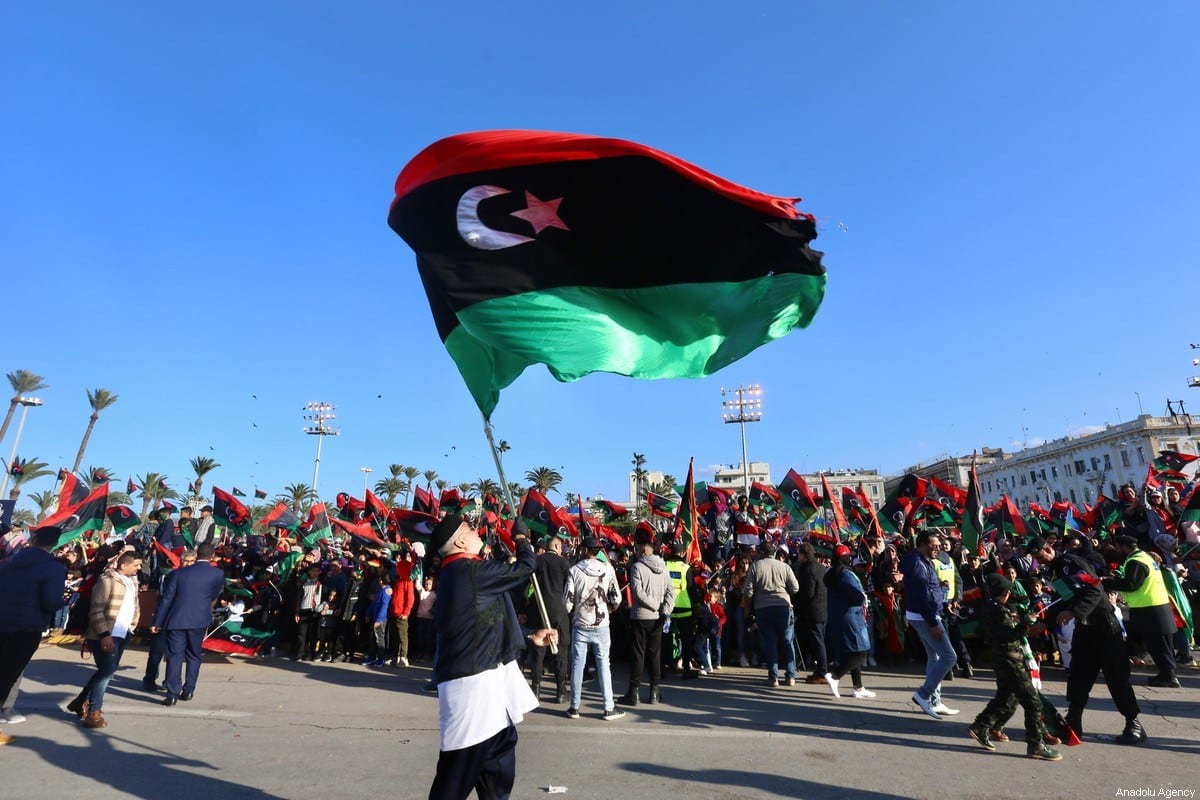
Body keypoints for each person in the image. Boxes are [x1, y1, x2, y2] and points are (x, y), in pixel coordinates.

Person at [427, 513, 549, 800]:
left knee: (496, 777)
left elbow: (486, 620)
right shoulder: (467, 571)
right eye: (469, 528)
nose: (476, 530)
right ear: (460, 541)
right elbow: (526, 566)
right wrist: (521, 538)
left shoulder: (464, 573)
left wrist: (529, 635)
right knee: (453, 783)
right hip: (472, 694)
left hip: (492, 689)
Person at [1029, 538, 1145, 744]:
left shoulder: (1072, 563)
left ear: (1048, 549)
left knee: (1117, 678)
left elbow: (1095, 590)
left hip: (1105, 628)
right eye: (1037, 559)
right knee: (1078, 676)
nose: (1041, 561)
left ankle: (1133, 722)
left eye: (1041, 556)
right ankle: (1074, 721)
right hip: (1085, 629)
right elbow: (1062, 600)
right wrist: (1045, 623)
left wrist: (1074, 612)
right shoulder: (1056, 571)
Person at [967, 573, 1062, 761]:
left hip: (1001, 658)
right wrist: (1026, 623)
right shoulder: (999, 611)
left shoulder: (992, 608)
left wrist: (1020, 619)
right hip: (1009, 660)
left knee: (1006, 697)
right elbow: (1009, 636)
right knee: (1033, 702)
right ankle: (1035, 744)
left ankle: (981, 726)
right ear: (1005, 592)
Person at [0, 525, 68, 745]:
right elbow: (50, 601)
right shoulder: (53, 568)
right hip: (26, 628)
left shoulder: (10, 562)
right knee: (7, 676)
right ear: (54, 544)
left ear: (34, 539)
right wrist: (63, 601)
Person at [68, 551, 143, 729]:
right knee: (107, 672)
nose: (139, 568)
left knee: (106, 671)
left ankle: (80, 702)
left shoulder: (132, 581)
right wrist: (104, 634)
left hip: (123, 633)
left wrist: (132, 625)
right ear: (123, 565)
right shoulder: (107, 580)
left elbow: (134, 605)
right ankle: (93, 711)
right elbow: (96, 610)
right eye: (136, 565)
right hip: (106, 634)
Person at [151, 541, 225, 705]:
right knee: (194, 655)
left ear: (197, 554)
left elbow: (167, 598)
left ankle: (172, 693)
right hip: (199, 620)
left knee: (175, 656)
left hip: (177, 619)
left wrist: (157, 621)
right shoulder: (217, 574)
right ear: (212, 556)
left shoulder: (179, 573)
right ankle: (189, 689)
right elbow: (214, 595)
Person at [899, 529, 959, 720]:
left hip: (926, 614)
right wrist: (933, 622)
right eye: (934, 546)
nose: (938, 549)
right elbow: (920, 597)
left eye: (939, 546)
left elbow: (927, 589)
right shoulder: (918, 564)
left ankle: (935, 701)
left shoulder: (923, 561)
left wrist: (941, 592)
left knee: (935, 656)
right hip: (925, 617)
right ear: (923, 545)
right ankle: (923, 695)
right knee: (949, 656)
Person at [563, 536, 625, 721]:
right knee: (604, 664)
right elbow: (617, 598)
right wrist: (610, 609)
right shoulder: (608, 569)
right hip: (602, 624)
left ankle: (574, 707)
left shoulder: (574, 570)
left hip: (580, 623)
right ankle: (608, 707)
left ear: (584, 550)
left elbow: (567, 602)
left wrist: (574, 612)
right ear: (597, 551)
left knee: (577, 664)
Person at [1106, 535, 1179, 688]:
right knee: (1163, 644)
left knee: (1157, 644)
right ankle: (1167, 673)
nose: (1117, 551)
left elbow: (1132, 585)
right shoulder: (1145, 557)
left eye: (1118, 547)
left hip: (1148, 608)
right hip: (1157, 606)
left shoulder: (1135, 561)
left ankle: (1169, 677)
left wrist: (1111, 582)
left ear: (1125, 547)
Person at [618, 524, 676, 706]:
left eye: (637, 550)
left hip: (641, 616)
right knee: (654, 654)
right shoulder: (664, 568)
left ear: (643, 551)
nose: (635, 552)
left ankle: (634, 692)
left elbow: (638, 593)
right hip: (657, 618)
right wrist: (664, 611)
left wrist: (658, 608)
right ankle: (654, 692)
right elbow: (671, 592)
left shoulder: (637, 567)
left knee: (638, 654)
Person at [821, 545, 874, 699]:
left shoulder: (831, 574)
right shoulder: (845, 575)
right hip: (851, 617)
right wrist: (863, 596)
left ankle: (858, 687)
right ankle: (835, 676)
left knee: (852, 652)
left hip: (839, 617)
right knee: (861, 653)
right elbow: (856, 597)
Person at [743, 540, 799, 687]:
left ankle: (773, 677)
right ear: (773, 553)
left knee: (770, 642)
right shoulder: (784, 567)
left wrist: (749, 606)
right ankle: (791, 676)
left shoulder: (756, 566)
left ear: (761, 553)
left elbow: (748, 591)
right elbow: (795, 588)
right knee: (787, 642)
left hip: (763, 608)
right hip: (783, 607)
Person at [144, 549, 197, 691]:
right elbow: (163, 598)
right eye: (186, 561)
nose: (189, 564)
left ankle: (169, 681)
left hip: (181, 620)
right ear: (181, 561)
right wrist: (157, 620)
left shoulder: (196, 579)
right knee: (156, 652)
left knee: (174, 654)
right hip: (165, 617)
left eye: (192, 561)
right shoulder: (171, 576)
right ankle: (149, 679)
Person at [527, 534, 570, 703]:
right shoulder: (564, 563)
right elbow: (568, 587)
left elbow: (528, 584)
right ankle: (560, 691)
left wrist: (525, 607)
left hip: (539, 607)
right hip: (559, 609)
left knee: (539, 649)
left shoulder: (537, 561)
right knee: (561, 649)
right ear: (557, 547)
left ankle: (536, 687)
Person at [791, 542, 829, 684]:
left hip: (813, 611)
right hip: (822, 610)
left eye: (799, 554)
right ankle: (820, 670)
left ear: (803, 555)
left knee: (818, 642)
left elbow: (807, 594)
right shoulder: (820, 567)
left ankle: (822, 672)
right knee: (820, 641)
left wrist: (798, 611)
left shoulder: (808, 570)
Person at [664, 541, 702, 679]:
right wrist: (696, 604)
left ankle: (664, 669)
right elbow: (691, 589)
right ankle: (686, 669)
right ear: (681, 553)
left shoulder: (664, 565)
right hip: (684, 608)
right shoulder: (686, 568)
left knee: (666, 639)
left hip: (667, 608)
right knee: (686, 640)